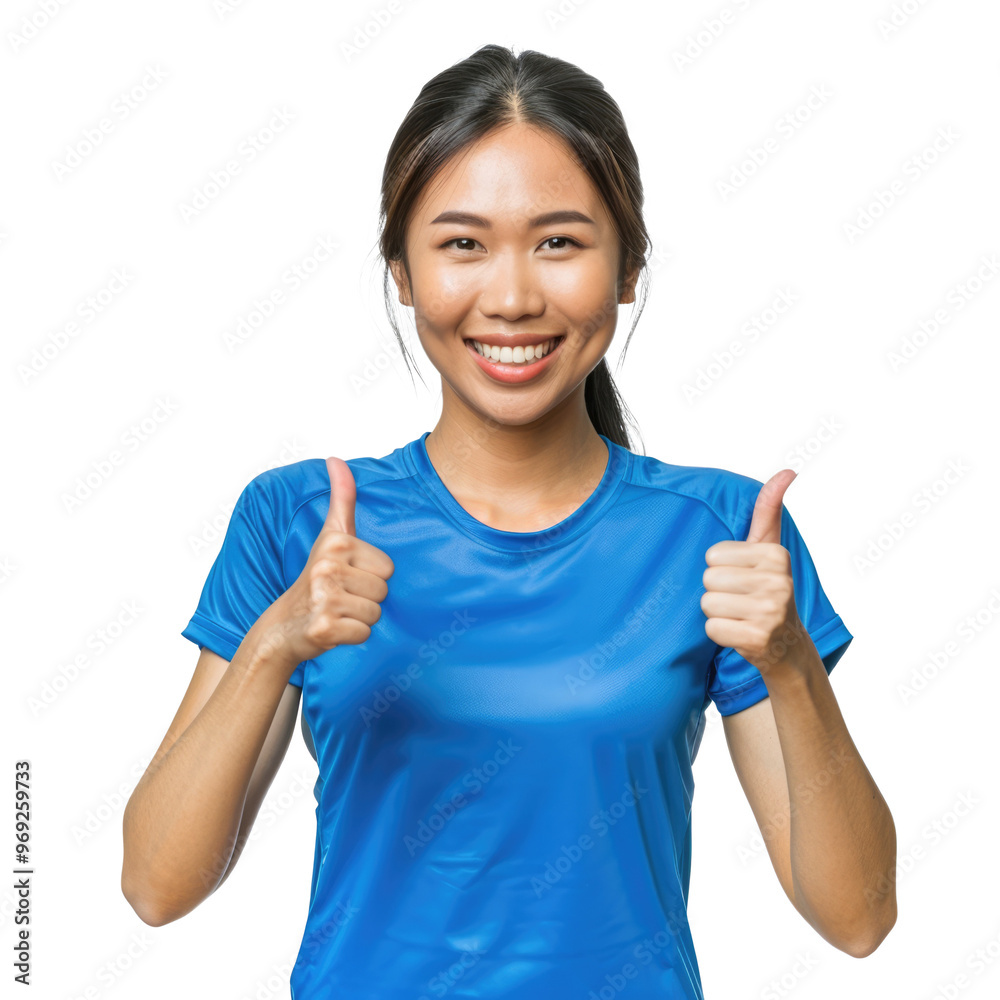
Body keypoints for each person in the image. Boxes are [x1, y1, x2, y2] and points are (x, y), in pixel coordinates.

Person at [121, 44, 897, 1000]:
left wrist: (790, 663)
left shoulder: (725, 535)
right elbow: (157, 887)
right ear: (401, 270)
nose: (515, 296)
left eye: (561, 242)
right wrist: (278, 640)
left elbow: (858, 916)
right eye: (462, 243)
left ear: (628, 269)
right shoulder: (298, 520)